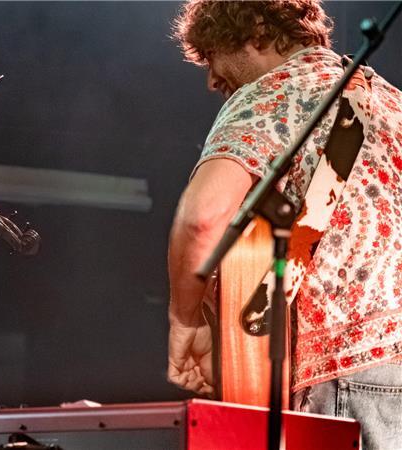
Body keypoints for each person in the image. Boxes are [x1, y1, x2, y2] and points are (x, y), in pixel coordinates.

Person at [167, 1, 401, 448]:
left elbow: (201, 219)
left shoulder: (273, 91)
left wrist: (184, 319)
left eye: (212, 54)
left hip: (350, 375)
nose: (212, 79)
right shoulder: (393, 100)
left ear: (256, 29)